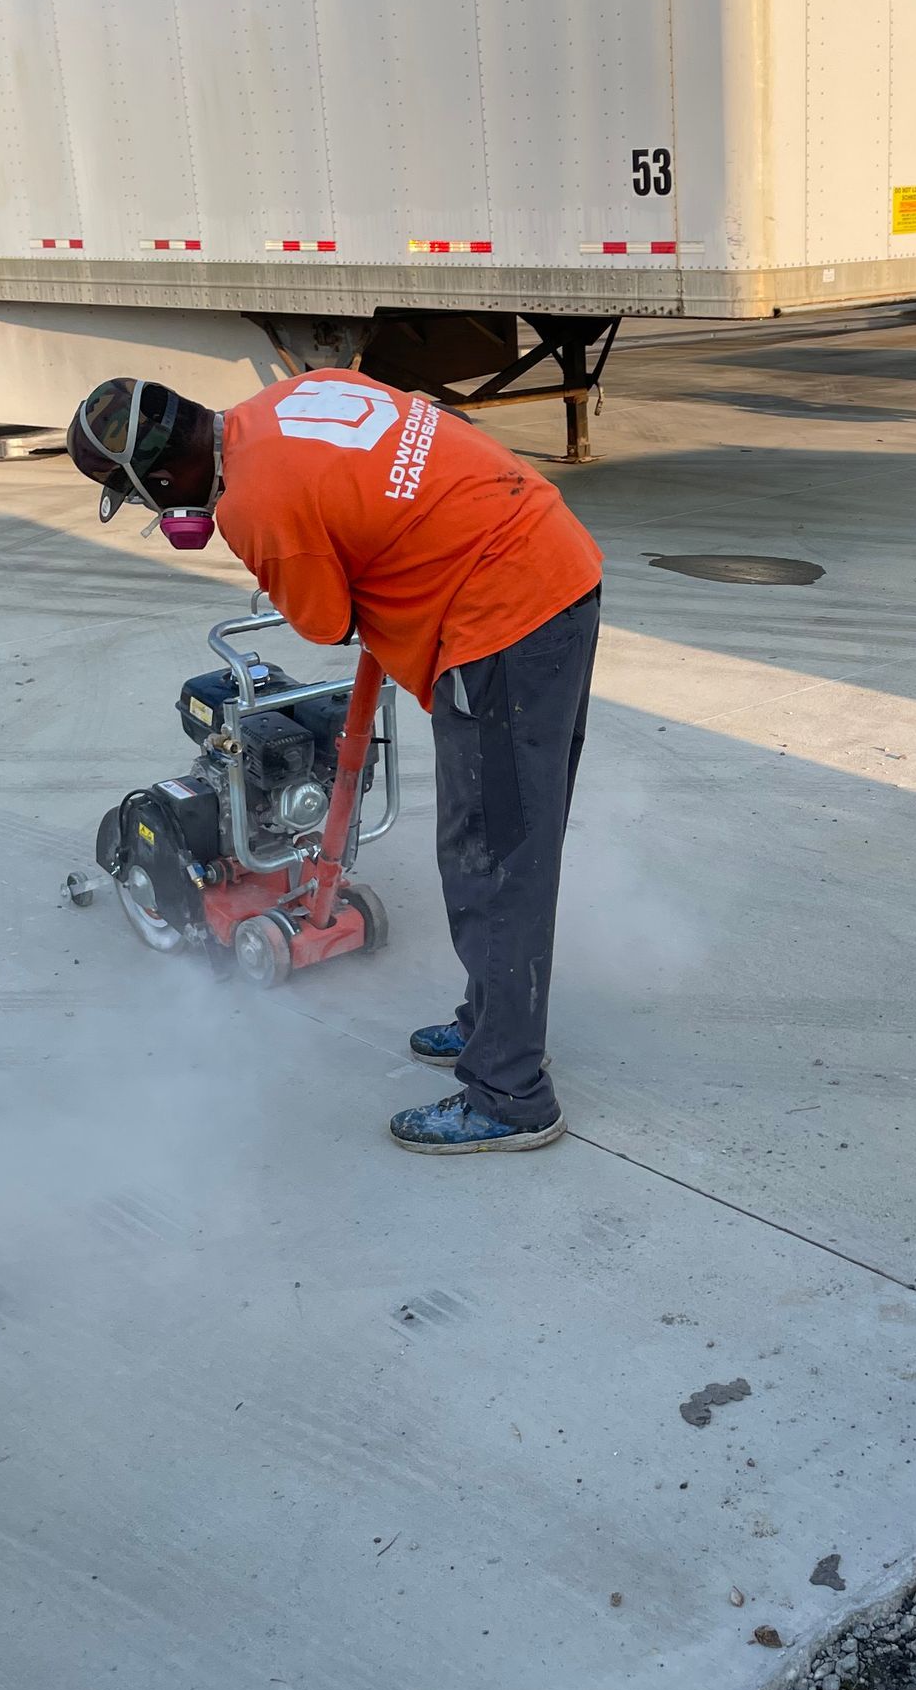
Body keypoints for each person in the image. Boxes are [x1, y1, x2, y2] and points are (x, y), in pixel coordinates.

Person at [68, 368, 602, 1155]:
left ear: (159, 477)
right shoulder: (288, 396)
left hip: (502, 621)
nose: (151, 509)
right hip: (548, 555)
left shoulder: (254, 508)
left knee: (494, 861)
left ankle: (512, 1092)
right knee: (489, 846)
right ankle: (491, 1026)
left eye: (137, 495)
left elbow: (325, 621)